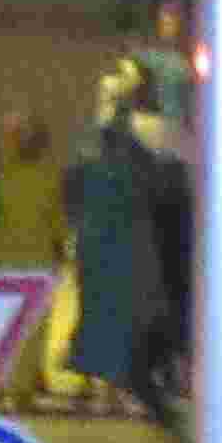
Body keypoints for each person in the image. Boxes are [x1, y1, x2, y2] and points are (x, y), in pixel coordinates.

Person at [61, 74, 166, 422]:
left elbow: (71, 193)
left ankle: (100, 387)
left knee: (99, 312)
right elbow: (153, 194)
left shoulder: (89, 149)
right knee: (115, 315)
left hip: (99, 242)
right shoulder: (138, 153)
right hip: (119, 244)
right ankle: (110, 388)